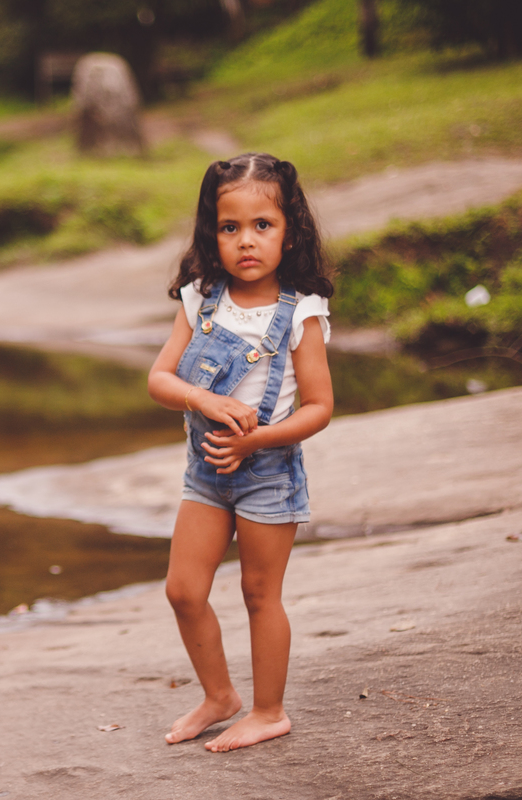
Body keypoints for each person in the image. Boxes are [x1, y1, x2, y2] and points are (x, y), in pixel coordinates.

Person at [146, 152, 334, 752]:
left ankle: (268, 710)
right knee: (183, 590)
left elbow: (318, 408)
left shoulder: (300, 310)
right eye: (230, 228)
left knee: (259, 594)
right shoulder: (203, 296)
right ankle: (219, 695)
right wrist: (202, 398)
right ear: (211, 233)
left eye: (262, 226)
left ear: (290, 232)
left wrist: (256, 439)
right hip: (205, 473)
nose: (245, 242)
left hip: (267, 473)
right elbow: (160, 379)